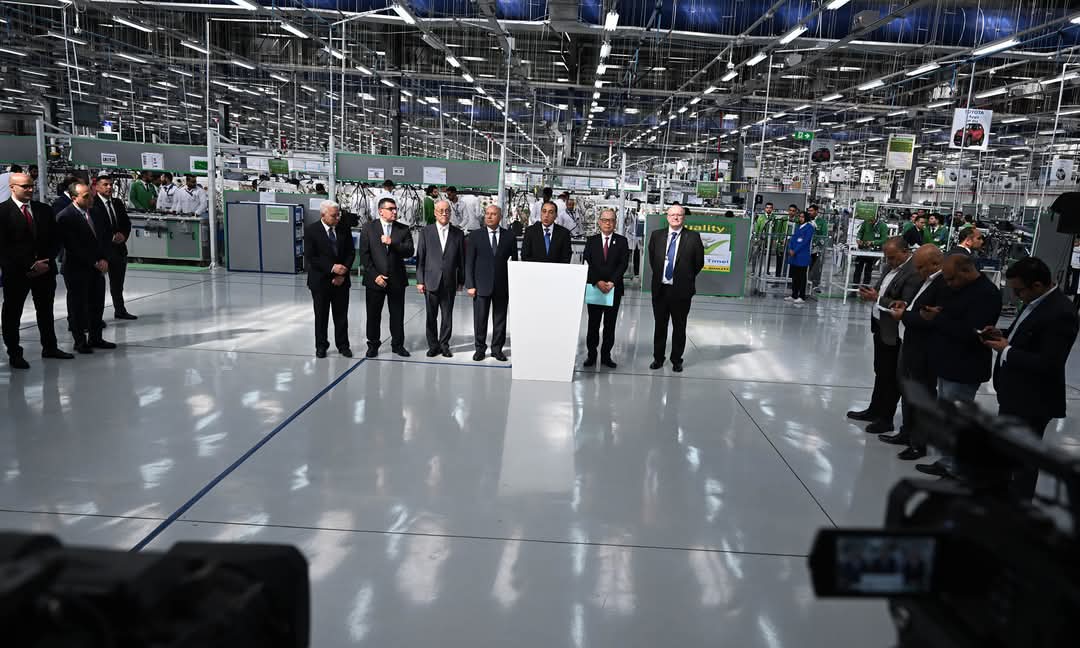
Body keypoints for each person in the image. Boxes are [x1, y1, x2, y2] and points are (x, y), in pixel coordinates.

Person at [981, 257, 1079, 497]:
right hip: (1014, 394)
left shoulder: (1061, 313)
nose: (1016, 296)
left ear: (1037, 285)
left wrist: (1006, 350)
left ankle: (1019, 505)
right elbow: (1027, 334)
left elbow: (1048, 363)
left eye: (1018, 290)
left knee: (1023, 458)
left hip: (1033, 400)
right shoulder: (1035, 301)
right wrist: (1002, 334)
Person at [914, 253, 1001, 477]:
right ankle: (946, 462)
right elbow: (952, 315)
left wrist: (938, 319)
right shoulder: (957, 288)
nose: (949, 283)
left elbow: (972, 332)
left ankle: (957, 469)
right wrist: (938, 313)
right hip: (946, 361)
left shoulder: (987, 294)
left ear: (966, 271)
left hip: (965, 366)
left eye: (952, 278)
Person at [847, 237, 920, 434]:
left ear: (905, 252)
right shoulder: (890, 267)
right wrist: (871, 293)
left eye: (893, 257)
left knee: (891, 376)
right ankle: (874, 410)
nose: (889, 261)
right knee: (880, 370)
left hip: (895, 331)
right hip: (880, 325)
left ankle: (886, 418)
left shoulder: (913, 272)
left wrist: (877, 298)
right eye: (887, 257)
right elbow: (881, 289)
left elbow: (904, 303)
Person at [0, 172, 72, 368]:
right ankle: (14, 352)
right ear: (12, 187)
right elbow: (4, 247)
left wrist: (45, 261)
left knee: (46, 311)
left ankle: (50, 347)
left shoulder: (43, 210)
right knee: (12, 313)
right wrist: (30, 265)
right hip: (17, 273)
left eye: (31, 185)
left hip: (45, 270)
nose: (30, 189)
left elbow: (55, 238)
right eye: (25, 186)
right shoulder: (3, 212)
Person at [884, 244, 945, 459]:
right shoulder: (925, 280)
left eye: (921, 267)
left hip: (925, 347)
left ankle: (920, 443)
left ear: (935, 263)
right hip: (910, 342)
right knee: (907, 389)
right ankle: (906, 432)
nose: (917, 271)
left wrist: (905, 316)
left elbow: (931, 318)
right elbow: (917, 307)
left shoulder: (942, 284)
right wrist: (905, 306)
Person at [55, 181, 116, 354]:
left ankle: (96, 337)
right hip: (77, 268)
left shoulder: (95, 212)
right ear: (74, 198)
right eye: (86, 196)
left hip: (97, 268)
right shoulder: (65, 217)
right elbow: (73, 246)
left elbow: (104, 237)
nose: (91, 199)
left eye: (91, 195)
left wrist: (104, 259)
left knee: (97, 304)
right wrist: (95, 262)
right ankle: (80, 341)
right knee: (78, 306)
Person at [648, 204, 704, 372]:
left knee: (679, 327)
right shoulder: (656, 235)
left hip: (681, 291)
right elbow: (653, 259)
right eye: (672, 214)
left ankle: (676, 360)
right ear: (667, 217)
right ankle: (658, 358)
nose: (676, 217)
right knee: (660, 326)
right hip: (661, 289)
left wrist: (685, 277)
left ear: (684, 218)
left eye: (679, 215)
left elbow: (699, 263)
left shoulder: (693, 237)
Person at [358, 197, 414, 358]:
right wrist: (375, 276)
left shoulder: (403, 229)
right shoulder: (368, 228)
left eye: (395, 209)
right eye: (391, 209)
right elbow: (364, 255)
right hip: (375, 280)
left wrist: (392, 242)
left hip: (397, 280)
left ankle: (398, 345)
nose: (394, 211)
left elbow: (409, 251)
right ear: (381, 211)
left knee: (397, 314)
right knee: (373, 314)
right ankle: (373, 344)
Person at [465, 204, 517, 362]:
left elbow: (514, 262)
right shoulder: (475, 236)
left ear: (500, 217)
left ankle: (497, 349)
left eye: (493, 214)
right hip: (481, 285)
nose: (489, 216)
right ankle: (480, 349)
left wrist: (512, 285)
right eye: (487, 213)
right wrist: (470, 285)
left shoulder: (509, 236)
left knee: (500, 320)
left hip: (502, 285)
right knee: (480, 320)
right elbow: (469, 262)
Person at [303, 200, 355, 358]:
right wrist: (332, 268)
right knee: (321, 316)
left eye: (338, 215)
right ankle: (321, 346)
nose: (337, 218)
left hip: (341, 281)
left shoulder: (344, 229)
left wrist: (342, 273)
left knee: (341, 316)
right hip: (320, 281)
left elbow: (350, 252)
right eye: (334, 216)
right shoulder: (312, 230)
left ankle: (343, 345)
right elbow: (311, 257)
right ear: (323, 215)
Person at [416, 199, 465, 358]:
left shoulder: (458, 233)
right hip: (430, 280)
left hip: (450, 282)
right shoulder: (426, 232)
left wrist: (461, 280)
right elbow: (421, 258)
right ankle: (433, 345)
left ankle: (444, 345)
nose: (444, 213)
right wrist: (420, 280)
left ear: (450, 213)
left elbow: (461, 259)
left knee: (447, 316)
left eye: (447, 211)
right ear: (435, 213)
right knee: (431, 316)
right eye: (441, 211)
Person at [582, 208, 629, 368]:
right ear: (599, 222)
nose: (608, 223)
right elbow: (587, 262)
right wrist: (597, 281)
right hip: (595, 288)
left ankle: (606, 356)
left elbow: (623, 264)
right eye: (605, 220)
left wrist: (612, 282)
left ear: (615, 222)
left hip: (613, 289)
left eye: (611, 220)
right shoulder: (592, 241)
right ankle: (591, 355)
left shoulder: (622, 241)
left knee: (610, 325)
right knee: (593, 325)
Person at [92, 175, 136, 320]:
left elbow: (126, 223)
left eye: (110, 184)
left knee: (118, 284)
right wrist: (111, 237)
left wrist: (123, 235)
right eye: (105, 184)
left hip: (119, 250)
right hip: (102, 251)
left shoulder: (117, 203)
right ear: (97, 187)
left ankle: (120, 310)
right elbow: (96, 227)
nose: (109, 187)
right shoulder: (92, 204)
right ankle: (95, 317)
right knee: (96, 286)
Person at [852, 213, 889, 286]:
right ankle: (854, 287)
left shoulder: (883, 226)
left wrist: (873, 242)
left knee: (868, 271)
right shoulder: (866, 222)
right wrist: (858, 239)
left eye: (871, 220)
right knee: (858, 269)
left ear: (876, 218)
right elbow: (860, 232)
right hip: (862, 250)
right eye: (869, 220)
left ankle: (865, 288)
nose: (869, 221)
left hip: (873, 251)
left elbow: (884, 239)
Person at [785, 211, 814, 304]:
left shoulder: (809, 228)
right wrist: (790, 248)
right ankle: (794, 294)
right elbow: (793, 239)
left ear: (806, 218)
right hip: (794, 256)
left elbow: (804, 241)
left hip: (802, 255)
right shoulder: (798, 227)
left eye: (802, 217)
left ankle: (802, 296)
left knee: (802, 276)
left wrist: (795, 250)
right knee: (795, 276)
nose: (800, 218)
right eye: (800, 217)